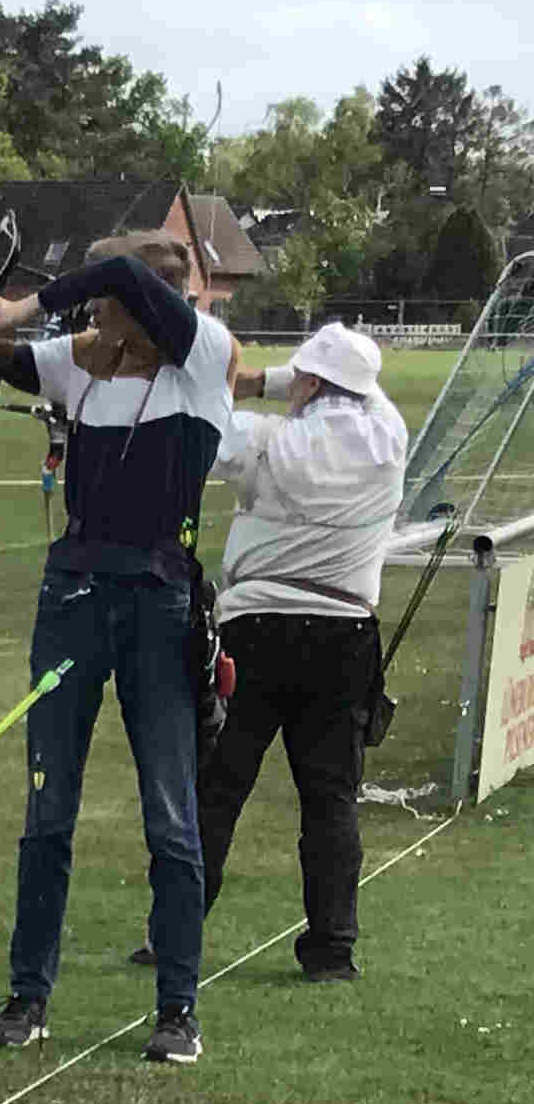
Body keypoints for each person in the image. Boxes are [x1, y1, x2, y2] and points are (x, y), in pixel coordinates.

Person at [0, 229, 236, 1064]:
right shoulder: (82, 364)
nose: (95, 326)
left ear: (150, 306)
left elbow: (114, 275)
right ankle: (29, 996)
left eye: (108, 310)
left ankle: (178, 1008)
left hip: (159, 605)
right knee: (48, 810)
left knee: (171, 818)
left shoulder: (204, 357)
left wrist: (22, 304)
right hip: (71, 599)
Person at [194, 321, 408, 980]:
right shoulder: (389, 438)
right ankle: (332, 949)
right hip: (345, 636)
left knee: (219, 787)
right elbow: (360, 391)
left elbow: (204, 427)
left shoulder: (266, 439)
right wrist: (298, 376)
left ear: (310, 383)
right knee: (331, 798)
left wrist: (235, 378)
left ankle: (174, 926)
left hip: (255, 629)